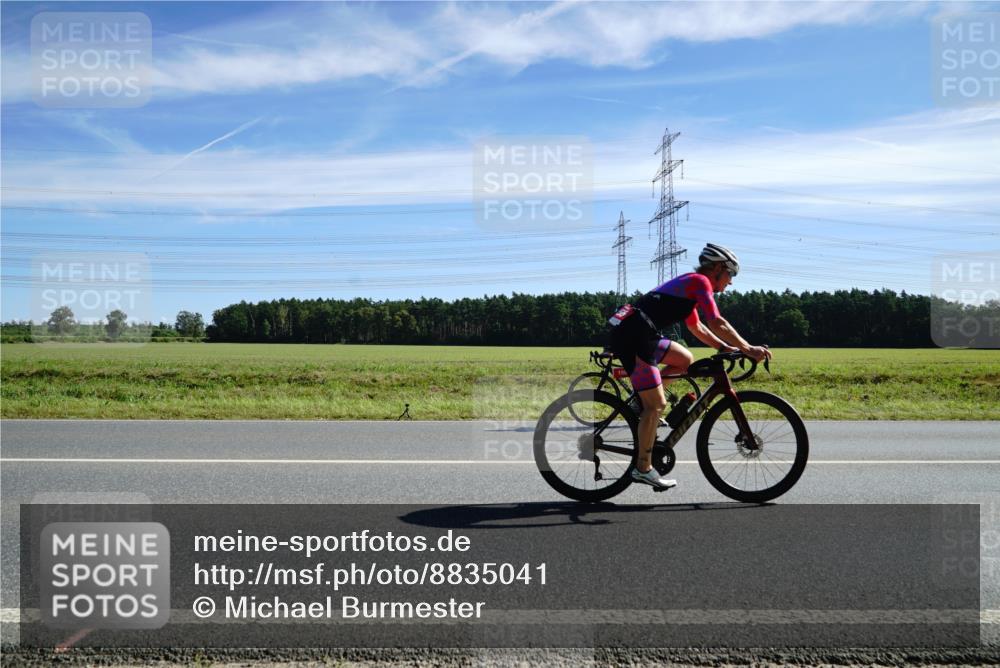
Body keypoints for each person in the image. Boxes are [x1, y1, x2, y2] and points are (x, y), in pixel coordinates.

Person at [607, 243, 772, 490]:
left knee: (684, 359)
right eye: (731, 274)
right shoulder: (699, 282)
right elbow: (716, 321)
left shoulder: (691, 287)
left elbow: (698, 328)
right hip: (633, 335)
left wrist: (723, 348)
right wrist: (748, 348)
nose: (731, 282)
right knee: (657, 405)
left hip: (643, 332)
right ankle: (642, 468)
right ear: (717, 268)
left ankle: (641, 402)